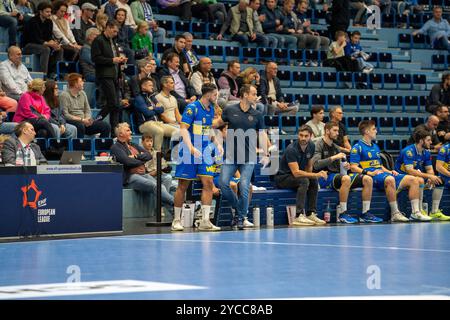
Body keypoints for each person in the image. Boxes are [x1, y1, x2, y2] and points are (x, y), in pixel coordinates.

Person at [213, 84, 270, 230]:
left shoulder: (257, 114)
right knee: (223, 183)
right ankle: (240, 212)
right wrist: (200, 122)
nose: (256, 97)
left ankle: (241, 217)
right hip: (230, 156)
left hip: (249, 157)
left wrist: (266, 152)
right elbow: (217, 123)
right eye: (253, 93)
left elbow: (262, 134)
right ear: (245, 95)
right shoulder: (230, 110)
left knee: (244, 186)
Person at [349, 120, 422, 222]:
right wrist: (369, 173)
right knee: (390, 179)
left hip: (382, 174)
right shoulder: (357, 147)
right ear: (366, 131)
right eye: (374, 129)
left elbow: (380, 166)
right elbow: (353, 167)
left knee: (413, 180)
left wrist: (389, 171)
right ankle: (395, 213)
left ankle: (416, 212)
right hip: (371, 176)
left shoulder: (375, 146)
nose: (376, 131)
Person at [172, 83, 222, 232]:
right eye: (215, 94)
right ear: (208, 94)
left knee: (208, 183)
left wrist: (217, 143)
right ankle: (176, 220)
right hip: (189, 151)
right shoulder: (192, 108)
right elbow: (183, 129)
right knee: (183, 185)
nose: (216, 97)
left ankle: (205, 220)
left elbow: (207, 130)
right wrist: (191, 148)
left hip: (205, 151)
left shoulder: (210, 109)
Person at [313, 122, 374, 223]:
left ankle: (365, 213)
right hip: (323, 177)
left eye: (338, 131)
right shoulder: (318, 144)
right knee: (346, 179)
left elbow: (342, 168)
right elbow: (316, 165)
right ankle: (342, 213)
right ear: (327, 131)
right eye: (335, 131)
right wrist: (334, 157)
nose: (338, 133)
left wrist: (347, 166)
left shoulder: (335, 147)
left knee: (368, 179)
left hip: (337, 176)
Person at [111, 122, 174, 212]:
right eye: (128, 130)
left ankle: (174, 212)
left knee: (161, 187)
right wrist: (141, 161)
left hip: (143, 174)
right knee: (155, 186)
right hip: (130, 177)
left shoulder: (133, 145)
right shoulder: (116, 147)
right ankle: (177, 204)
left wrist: (136, 157)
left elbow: (148, 155)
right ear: (120, 134)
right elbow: (127, 162)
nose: (131, 132)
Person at [274, 125, 326, 226]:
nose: (303, 138)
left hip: (296, 178)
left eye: (306, 136)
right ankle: (299, 215)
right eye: (301, 135)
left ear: (311, 136)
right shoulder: (291, 149)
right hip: (283, 178)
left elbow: (309, 165)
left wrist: (313, 177)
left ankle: (311, 213)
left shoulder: (311, 146)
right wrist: (315, 174)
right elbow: (296, 172)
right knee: (304, 180)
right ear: (298, 135)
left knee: (313, 181)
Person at [395, 129, 449, 221]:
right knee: (419, 179)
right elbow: (410, 171)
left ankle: (434, 211)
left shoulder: (426, 152)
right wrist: (428, 176)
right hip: (400, 177)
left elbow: (429, 169)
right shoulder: (408, 151)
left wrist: (431, 177)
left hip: (416, 177)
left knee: (439, 180)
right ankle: (418, 211)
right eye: (428, 140)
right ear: (421, 141)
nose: (431, 142)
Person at [91, 20, 127, 135]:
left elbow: (114, 58)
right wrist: (112, 60)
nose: (116, 33)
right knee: (112, 103)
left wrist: (120, 60)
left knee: (116, 105)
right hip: (104, 75)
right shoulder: (98, 40)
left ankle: (114, 132)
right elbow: (95, 59)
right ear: (107, 27)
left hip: (115, 75)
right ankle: (95, 122)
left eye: (117, 31)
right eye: (114, 31)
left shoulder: (113, 41)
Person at [60, 73, 111, 138]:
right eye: (81, 81)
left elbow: (87, 110)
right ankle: (79, 146)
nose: (83, 83)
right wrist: (82, 120)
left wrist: (87, 119)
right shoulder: (64, 95)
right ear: (75, 84)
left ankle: (100, 146)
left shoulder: (83, 93)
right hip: (72, 121)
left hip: (84, 121)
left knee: (106, 126)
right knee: (80, 126)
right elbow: (65, 115)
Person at [134, 77, 178, 151]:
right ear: (143, 86)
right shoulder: (139, 98)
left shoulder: (152, 97)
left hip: (158, 123)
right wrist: (155, 108)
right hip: (145, 124)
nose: (152, 87)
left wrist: (152, 108)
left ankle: (172, 154)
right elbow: (147, 113)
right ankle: (157, 156)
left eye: (152, 85)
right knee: (159, 131)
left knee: (177, 132)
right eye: (150, 85)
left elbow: (162, 109)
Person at [22, 1, 64, 77]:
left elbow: (49, 37)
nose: (49, 14)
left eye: (50, 12)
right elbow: (35, 39)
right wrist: (48, 43)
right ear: (40, 12)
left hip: (43, 44)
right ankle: (43, 74)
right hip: (28, 45)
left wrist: (54, 43)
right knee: (46, 49)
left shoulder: (49, 22)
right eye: (47, 12)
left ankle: (53, 73)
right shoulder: (32, 21)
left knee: (59, 49)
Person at [141, 133, 175, 206]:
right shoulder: (140, 154)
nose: (150, 143)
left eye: (151, 141)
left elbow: (164, 166)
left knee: (175, 184)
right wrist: (155, 172)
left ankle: (161, 205)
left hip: (159, 175)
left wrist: (165, 168)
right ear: (142, 142)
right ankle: (161, 206)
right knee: (168, 180)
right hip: (148, 176)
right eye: (147, 141)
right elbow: (143, 173)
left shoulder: (157, 153)